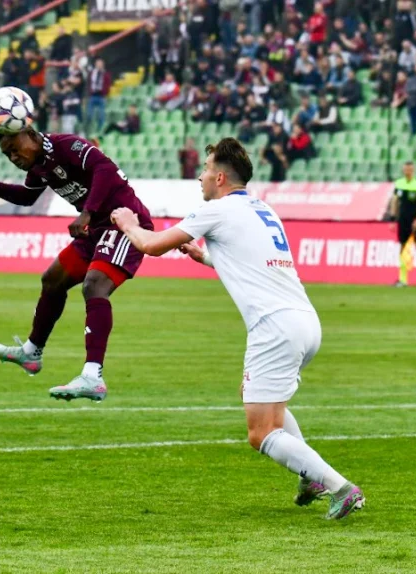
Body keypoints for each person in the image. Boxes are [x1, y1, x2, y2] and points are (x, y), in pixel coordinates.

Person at [110, 138, 364, 520]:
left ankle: (340, 488)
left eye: (206, 169)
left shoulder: (216, 210)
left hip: (273, 327)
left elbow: (151, 245)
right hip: (304, 321)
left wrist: (128, 223)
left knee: (261, 432)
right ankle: (310, 478)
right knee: (262, 402)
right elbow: (251, 261)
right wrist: (204, 256)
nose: (200, 176)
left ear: (220, 177)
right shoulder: (263, 209)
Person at [0, 126, 153, 402]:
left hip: (124, 223)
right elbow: (27, 197)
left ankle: (93, 376)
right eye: (7, 154)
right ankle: (31, 352)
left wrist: (86, 213)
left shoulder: (67, 146)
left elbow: (105, 169)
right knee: (52, 280)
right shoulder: (39, 166)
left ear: (31, 135)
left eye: (15, 149)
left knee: (95, 285)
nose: (13, 157)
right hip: (95, 228)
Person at [389, 161, 416, 287]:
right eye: (406, 169)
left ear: (413, 170)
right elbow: (394, 201)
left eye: (410, 170)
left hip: (414, 220)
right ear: (403, 170)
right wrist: (392, 218)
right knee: (403, 248)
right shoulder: (399, 184)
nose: (408, 172)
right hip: (403, 220)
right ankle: (403, 280)